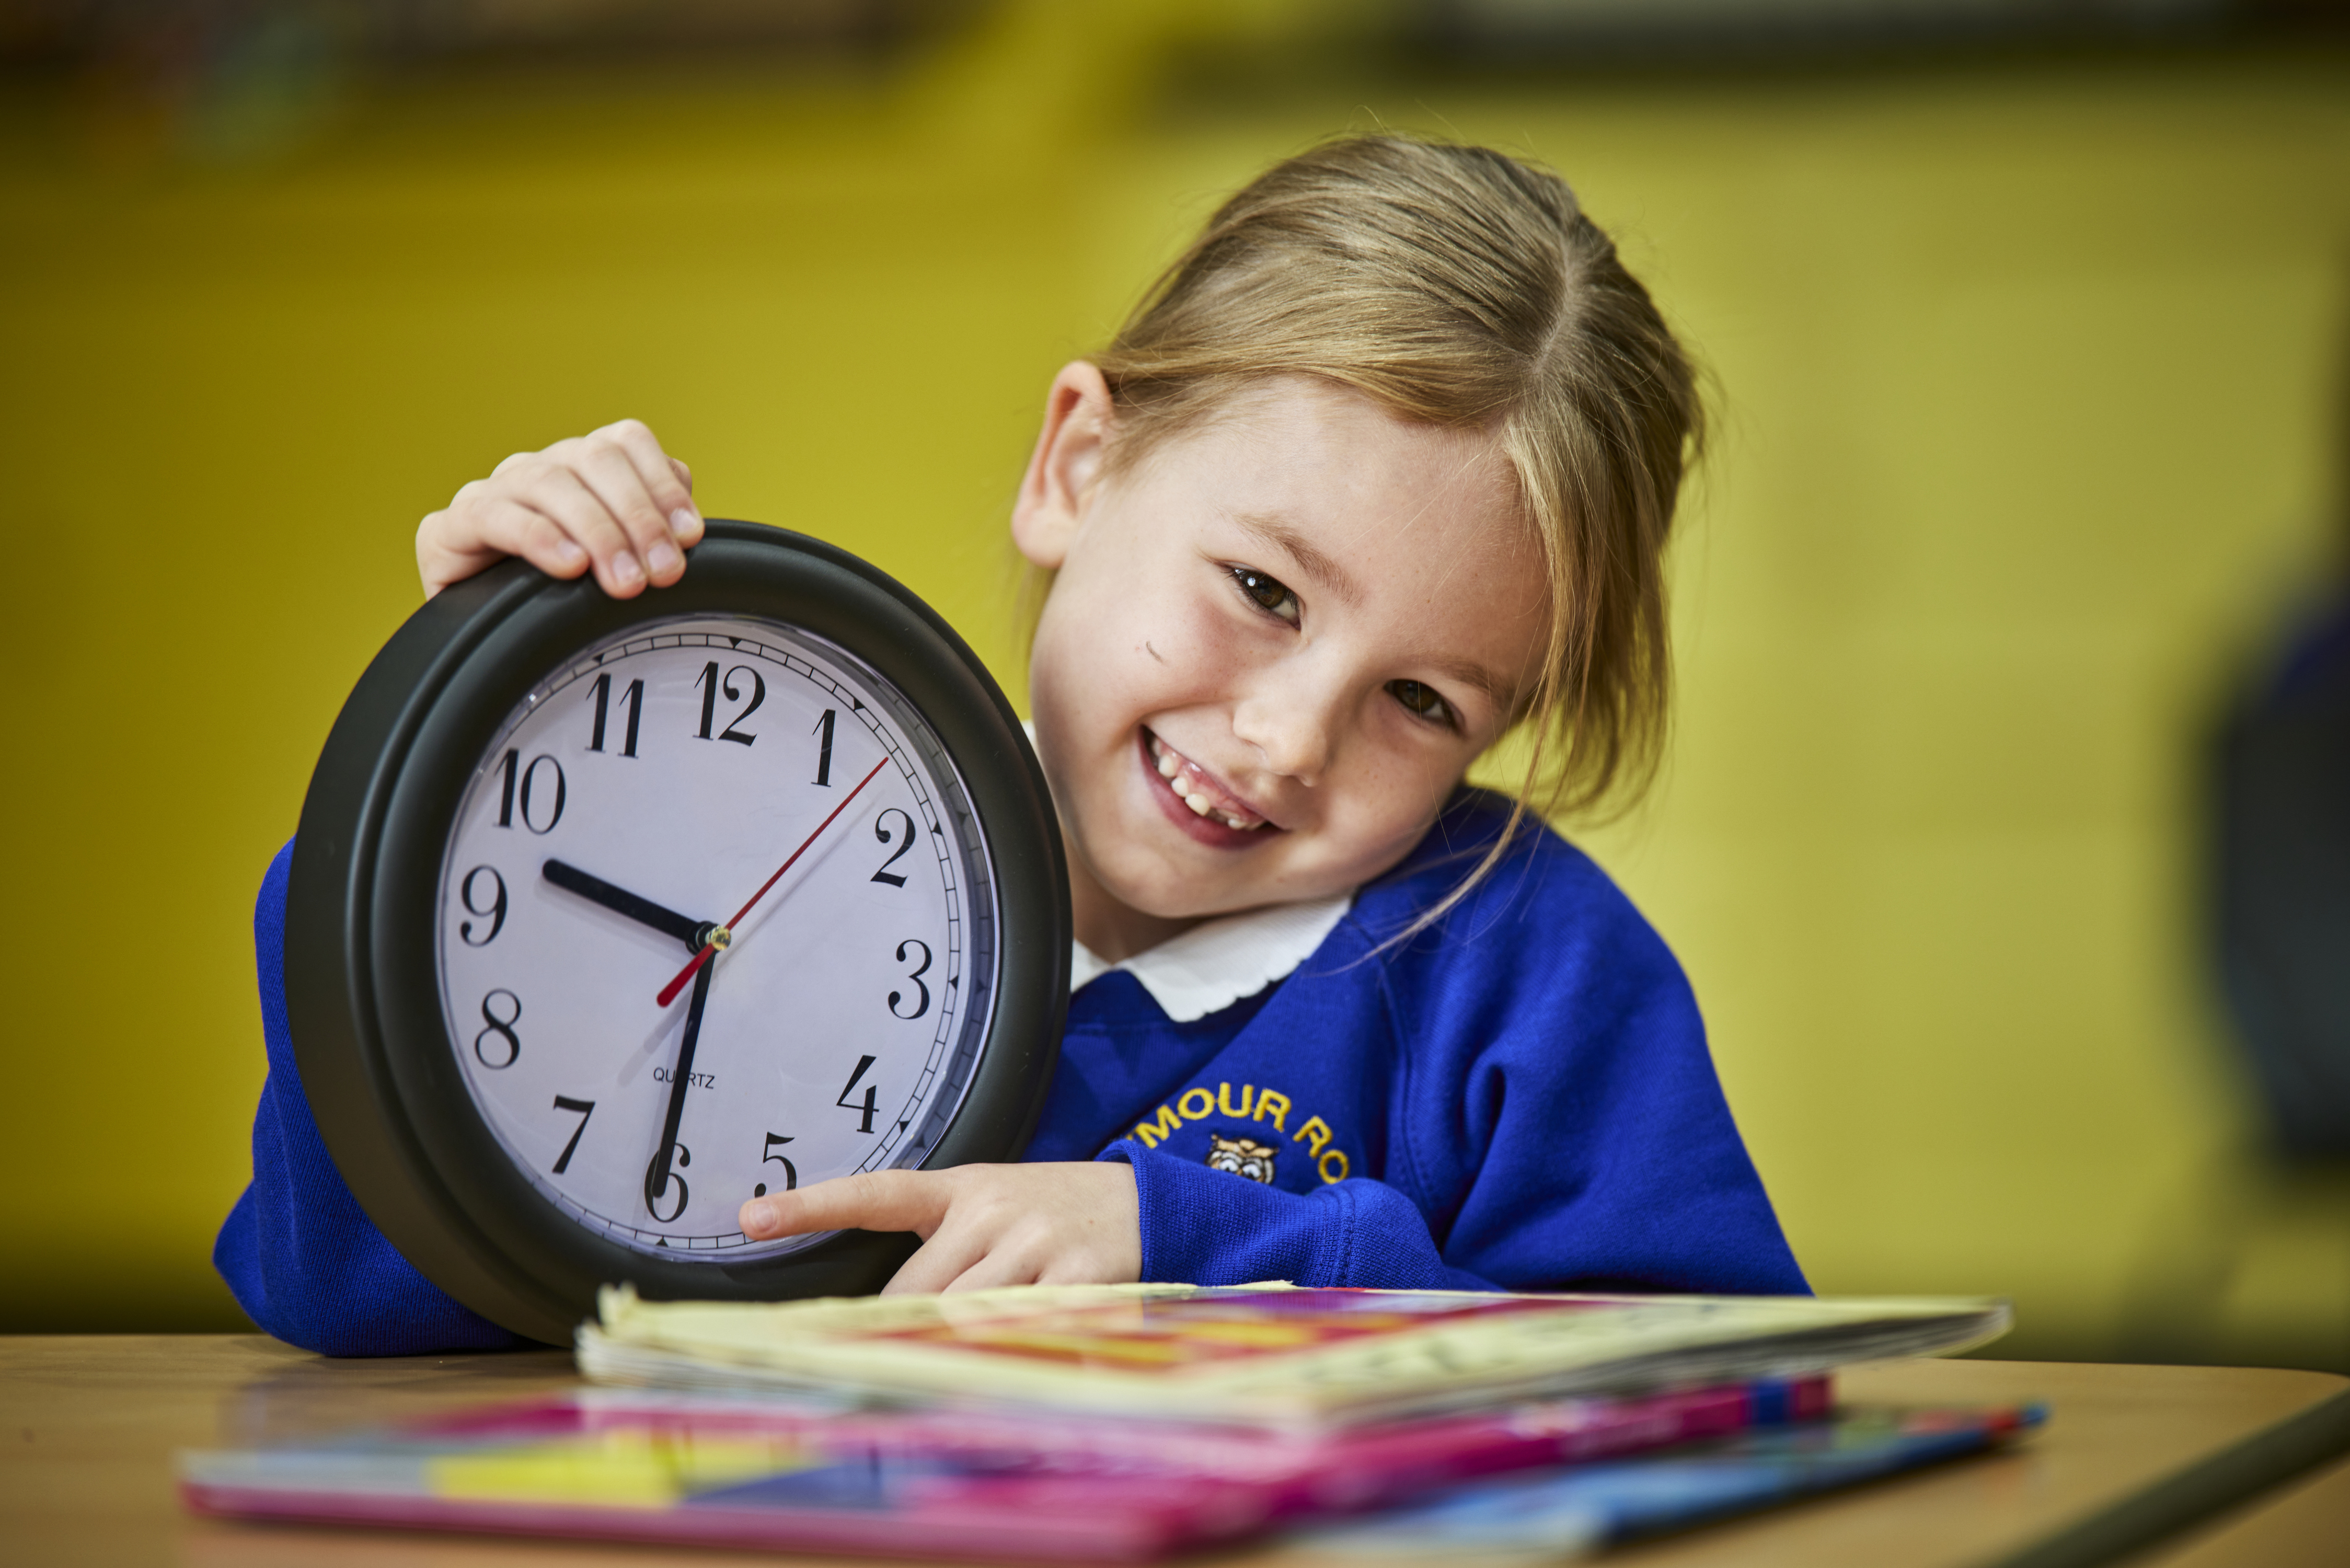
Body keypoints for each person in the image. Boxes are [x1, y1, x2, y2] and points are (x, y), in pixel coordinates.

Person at [218, 135, 1807, 1355]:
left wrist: (1194, 1248)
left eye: (1425, 703)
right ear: (1077, 464)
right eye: (1260, 590)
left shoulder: (1521, 969)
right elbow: (347, 1301)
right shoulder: (741, 830)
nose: (1283, 735)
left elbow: (1698, 1381)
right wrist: (456, 779)